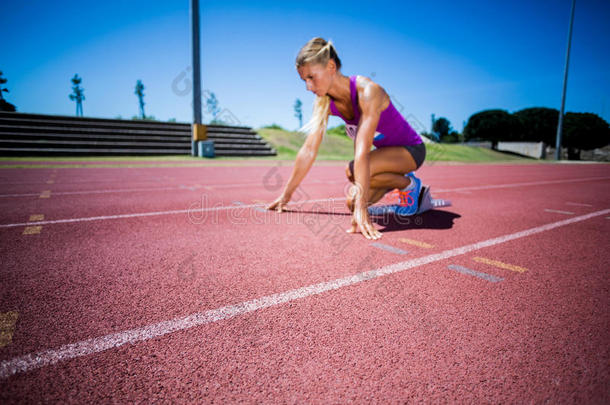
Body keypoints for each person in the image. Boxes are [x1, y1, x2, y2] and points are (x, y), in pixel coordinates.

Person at [267, 37, 426, 240]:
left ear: (331, 66)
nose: (308, 87)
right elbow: (308, 150)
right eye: (304, 80)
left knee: (353, 172)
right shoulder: (324, 103)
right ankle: (404, 182)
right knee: (351, 202)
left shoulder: (368, 91)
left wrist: (363, 209)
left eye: (311, 77)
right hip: (383, 157)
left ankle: (409, 185)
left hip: (411, 150)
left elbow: (362, 149)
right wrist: (286, 195)